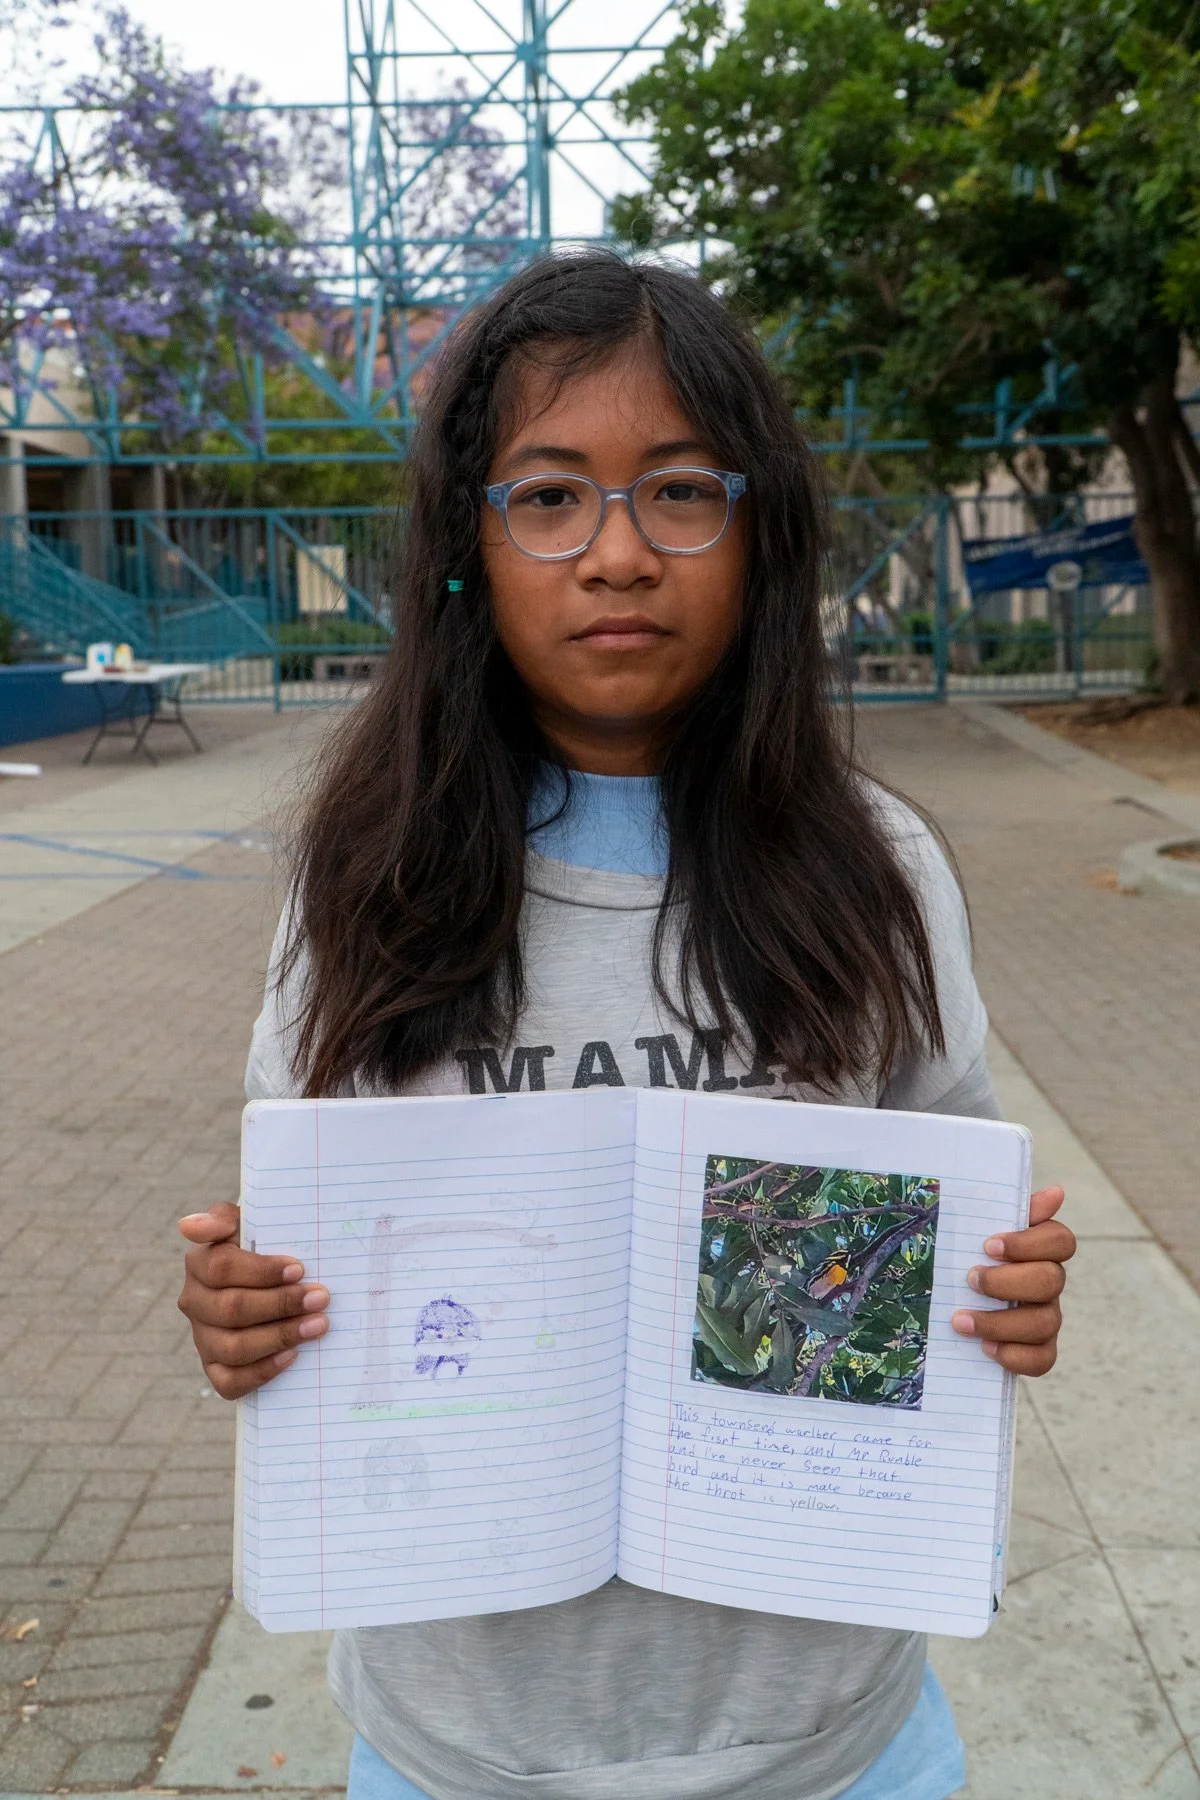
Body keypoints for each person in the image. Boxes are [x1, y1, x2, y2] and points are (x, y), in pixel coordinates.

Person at [177, 251, 1074, 1800]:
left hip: (836, 1747)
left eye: (677, 492)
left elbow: (953, 1225)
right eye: (546, 496)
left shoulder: (880, 871)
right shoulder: (366, 881)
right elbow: (296, 1243)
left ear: (760, 532)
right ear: (469, 540)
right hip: (461, 1749)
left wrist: (1002, 1299)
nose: (615, 556)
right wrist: (247, 1313)